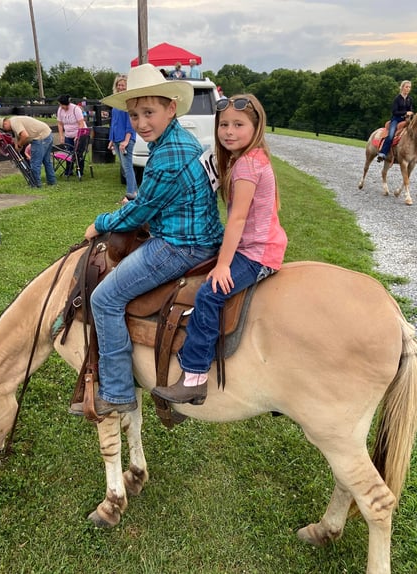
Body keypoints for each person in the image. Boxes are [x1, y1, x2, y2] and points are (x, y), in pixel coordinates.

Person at [69, 64, 223, 417]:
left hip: (180, 244)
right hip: (197, 234)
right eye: (134, 115)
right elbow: (154, 199)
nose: (140, 123)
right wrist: (140, 202)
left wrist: (100, 222)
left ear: (171, 108)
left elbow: (139, 215)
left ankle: (119, 392)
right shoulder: (179, 139)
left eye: (148, 113)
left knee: (104, 298)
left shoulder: (168, 154)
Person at [151, 94, 288, 405]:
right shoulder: (251, 158)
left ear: (256, 126)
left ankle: (194, 376)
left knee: (210, 293)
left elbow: (237, 219)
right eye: (223, 124)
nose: (229, 131)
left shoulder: (245, 168)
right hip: (259, 244)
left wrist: (223, 265)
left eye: (238, 125)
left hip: (256, 253)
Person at [0, 115, 56, 187]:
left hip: (40, 137)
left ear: (5, 124)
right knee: (47, 161)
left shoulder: (14, 122)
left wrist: (19, 145)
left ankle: (36, 184)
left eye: (5, 129)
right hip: (47, 133)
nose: (7, 131)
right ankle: (52, 182)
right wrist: (18, 146)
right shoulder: (15, 120)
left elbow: (25, 135)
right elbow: (20, 138)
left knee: (35, 162)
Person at [107, 74, 138, 201]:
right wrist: (111, 139)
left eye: (123, 85)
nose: (120, 87)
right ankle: (135, 193)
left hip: (126, 139)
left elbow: (130, 123)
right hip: (116, 138)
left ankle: (129, 195)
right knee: (125, 168)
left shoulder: (128, 102)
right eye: (119, 85)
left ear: (127, 86)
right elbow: (114, 122)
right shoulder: (116, 102)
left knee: (127, 167)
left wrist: (126, 140)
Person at [378, 80, 413, 162]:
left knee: (415, 134)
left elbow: (411, 110)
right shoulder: (397, 99)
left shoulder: (410, 99)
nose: (408, 89)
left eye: (409, 87)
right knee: (390, 135)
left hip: (406, 120)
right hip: (396, 119)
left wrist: (411, 114)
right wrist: (405, 112)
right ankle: (382, 153)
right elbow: (394, 111)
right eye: (406, 87)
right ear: (402, 87)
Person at [56, 95, 87, 176]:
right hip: (68, 134)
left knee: (78, 153)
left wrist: (78, 136)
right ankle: (69, 171)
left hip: (79, 132)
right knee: (68, 153)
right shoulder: (60, 110)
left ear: (66, 104)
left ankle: (79, 171)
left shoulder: (75, 109)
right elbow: (59, 124)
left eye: (61, 104)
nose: (61, 106)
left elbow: (81, 123)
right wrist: (61, 136)